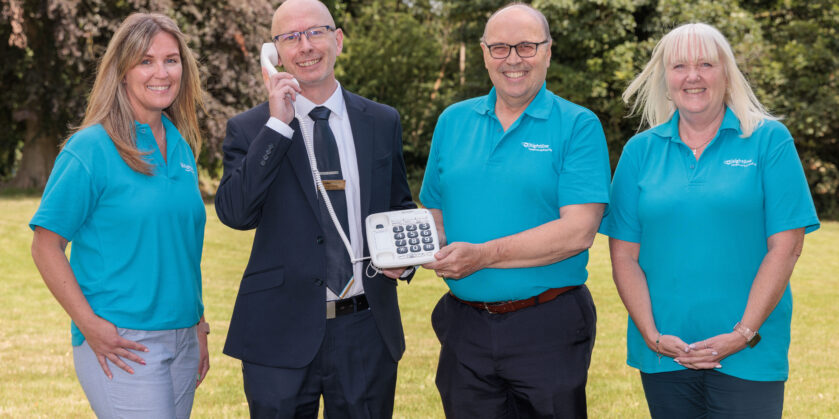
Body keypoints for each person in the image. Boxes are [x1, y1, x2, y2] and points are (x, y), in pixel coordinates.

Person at [599, 22, 820, 418]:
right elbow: (623, 258)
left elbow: (786, 248)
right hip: (666, 354)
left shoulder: (770, 140)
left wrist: (742, 334)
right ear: (666, 79)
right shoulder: (639, 152)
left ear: (727, 75)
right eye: (680, 66)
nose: (693, 76)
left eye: (706, 64)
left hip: (751, 353)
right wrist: (653, 336)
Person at [214, 0, 416, 417]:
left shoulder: (381, 121)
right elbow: (235, 213)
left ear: (337, 40)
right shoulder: (251, 128)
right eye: (290, 37)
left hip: (365, 328)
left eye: (315, 33)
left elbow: (398, 205)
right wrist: (277, 125)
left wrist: (406, 261)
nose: (304, 46)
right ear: (275, 53)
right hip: (278, 332)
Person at [419, 3, 611, 418]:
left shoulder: (578, 125)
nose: (513, 60)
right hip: (465, 329)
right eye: (500, 48)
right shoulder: (453, 121)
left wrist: (483, 256)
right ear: (485, 52)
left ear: (548, 51)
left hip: (548, 325)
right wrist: (406, 252)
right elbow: (435, 215)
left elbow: (578, 231)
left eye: (526, 46)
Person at [29, 12, 209, 418]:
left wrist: (198, 323)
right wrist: (89, 324)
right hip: (123, 341)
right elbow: (46, 245)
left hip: (183, 338)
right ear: (121, 71)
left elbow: (180, 246)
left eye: (171, 59)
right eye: (145, 61)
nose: (161, 72)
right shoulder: (91, 147)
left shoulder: (179, 145)